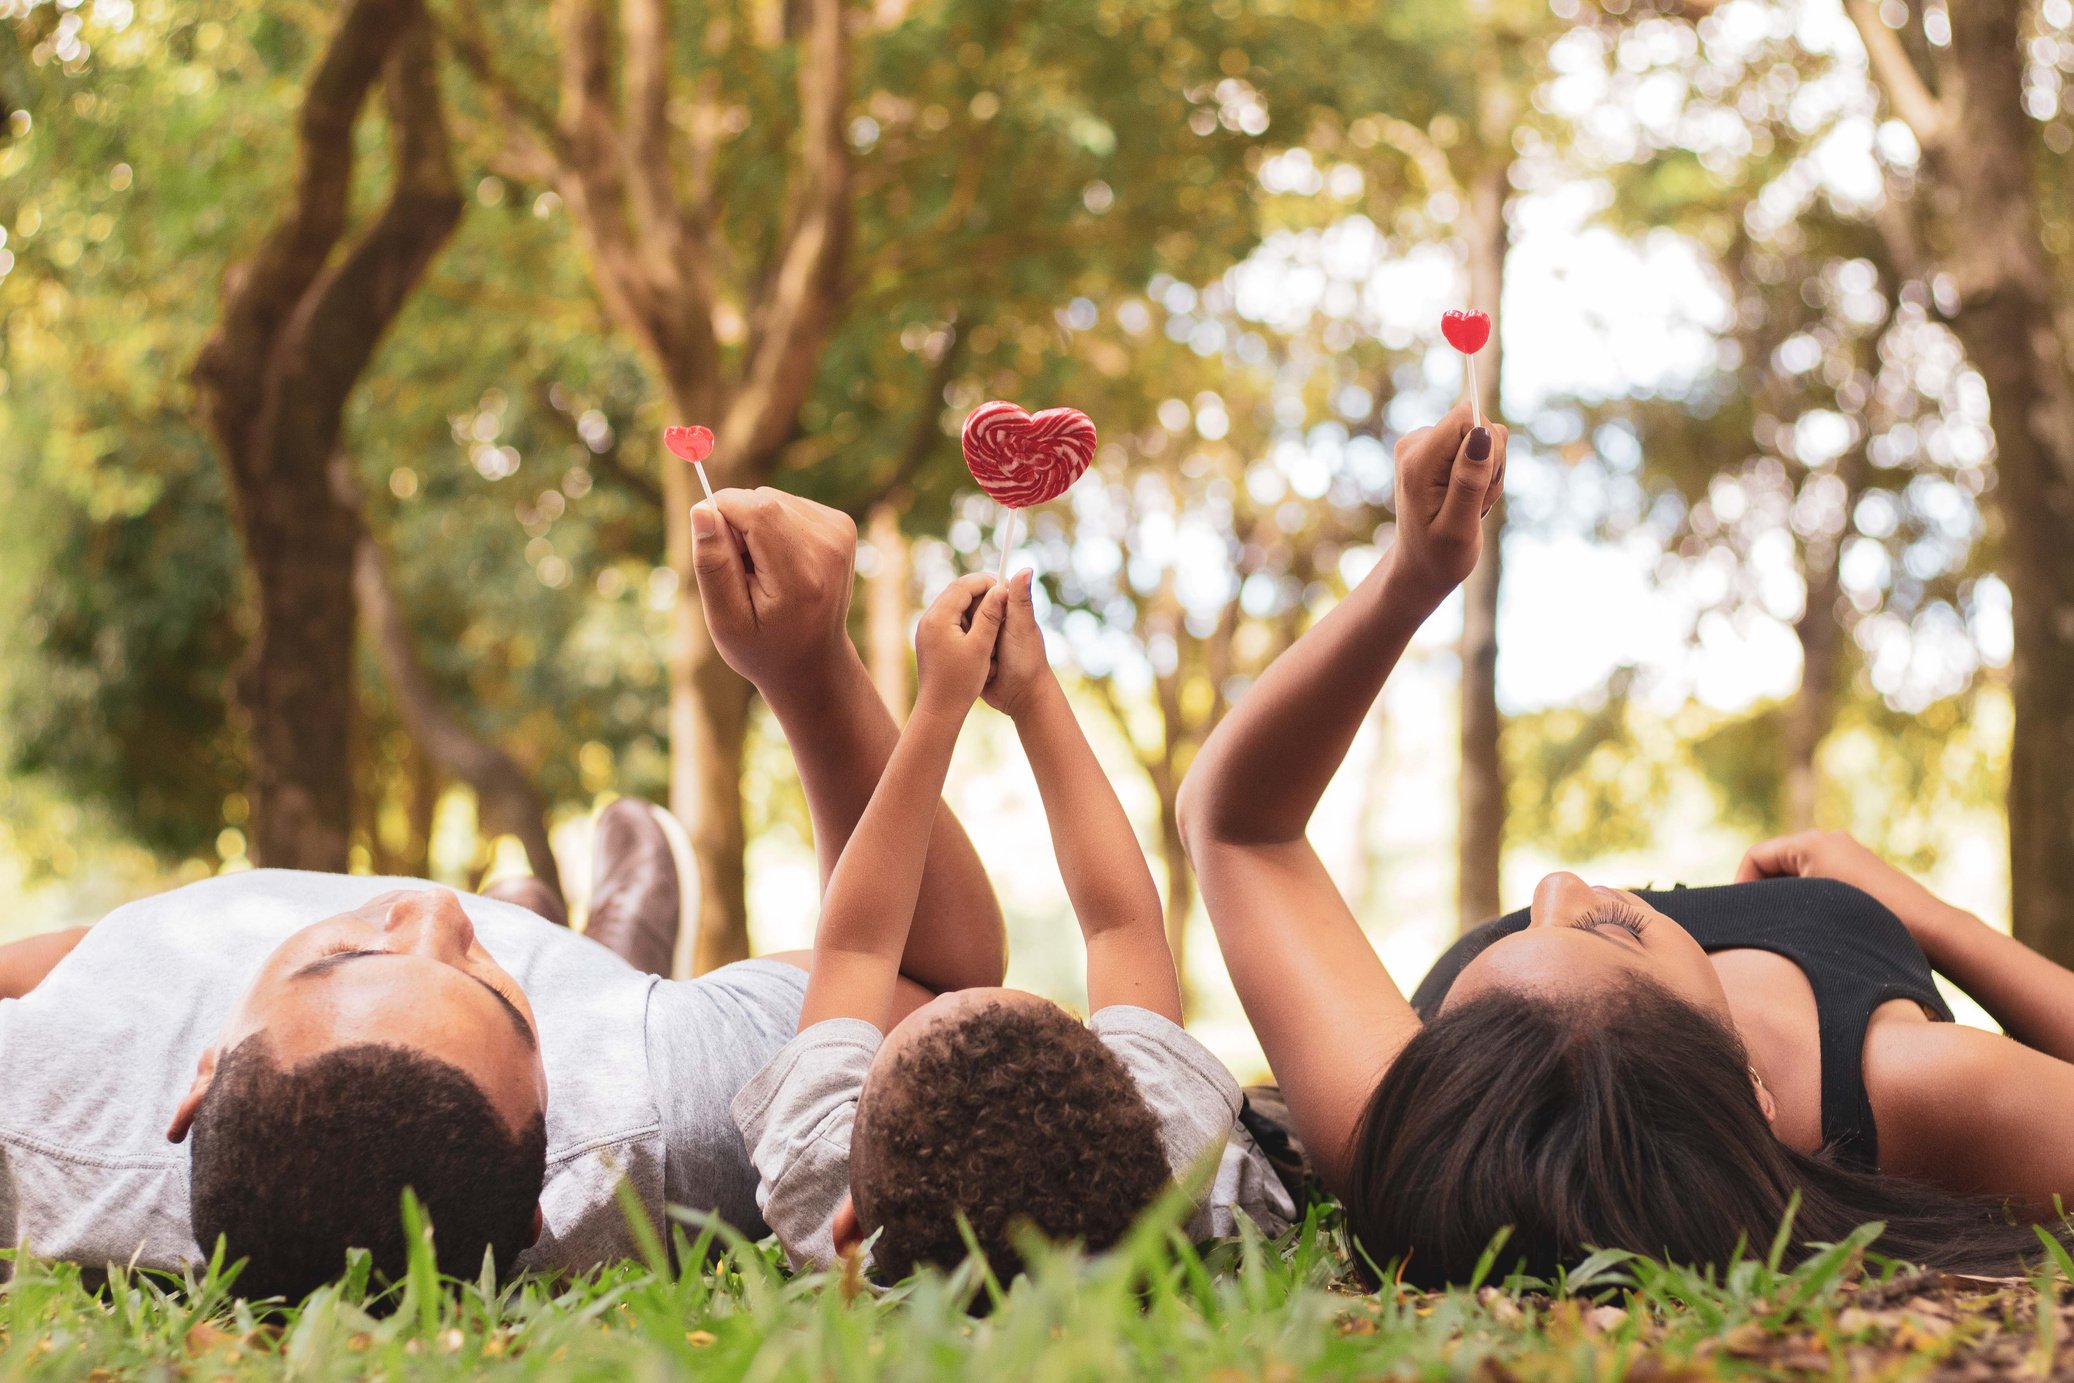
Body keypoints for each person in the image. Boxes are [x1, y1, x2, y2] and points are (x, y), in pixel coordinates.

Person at [0, 489, 1006, 1302]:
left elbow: (81, 963)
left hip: (115, 999)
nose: (437, 910)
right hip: (630, 1021)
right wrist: (809, 671)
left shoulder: (41, 1101)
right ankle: (594, 947)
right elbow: (937, 970)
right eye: (492, 981)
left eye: (350, 954)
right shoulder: (653, 1119)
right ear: (544, 1195)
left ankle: (543, 923)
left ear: (199, 1074)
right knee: (544, 941)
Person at [1179, 402, 2074, 1286]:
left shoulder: (1420, 1138)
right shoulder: (1917, 1085)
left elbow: (1238, 825)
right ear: (1752, 1094)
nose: (1558, 882)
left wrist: (1411, 577)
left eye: (1451, 1029)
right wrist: (1926, 915)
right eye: (1612, 929)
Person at [732, 566, 1296, 1284]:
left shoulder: (829, 1201)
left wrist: (938, 707)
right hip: (1279, 1137)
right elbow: (1119, 927)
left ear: (849, 1231)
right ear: (1135, 1092)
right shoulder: (1177, 1153)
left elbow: (858, 943)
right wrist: (1033, 695)